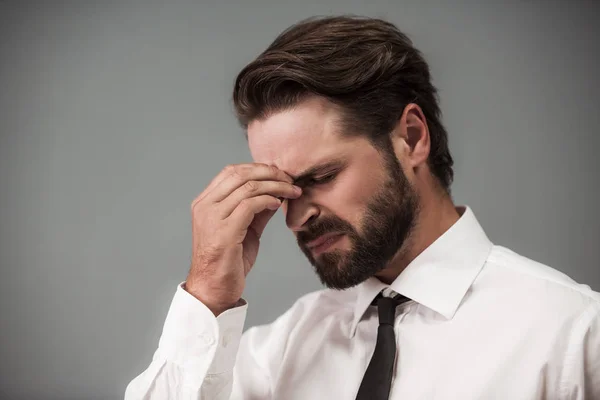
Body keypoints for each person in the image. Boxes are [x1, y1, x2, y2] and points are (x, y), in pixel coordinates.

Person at [125, 16, 600, 399]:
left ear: (411, 138)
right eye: (283, 192)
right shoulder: (279, 353)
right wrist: (208, 290)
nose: (296, 218)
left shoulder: (573, 336)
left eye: (322, 177)